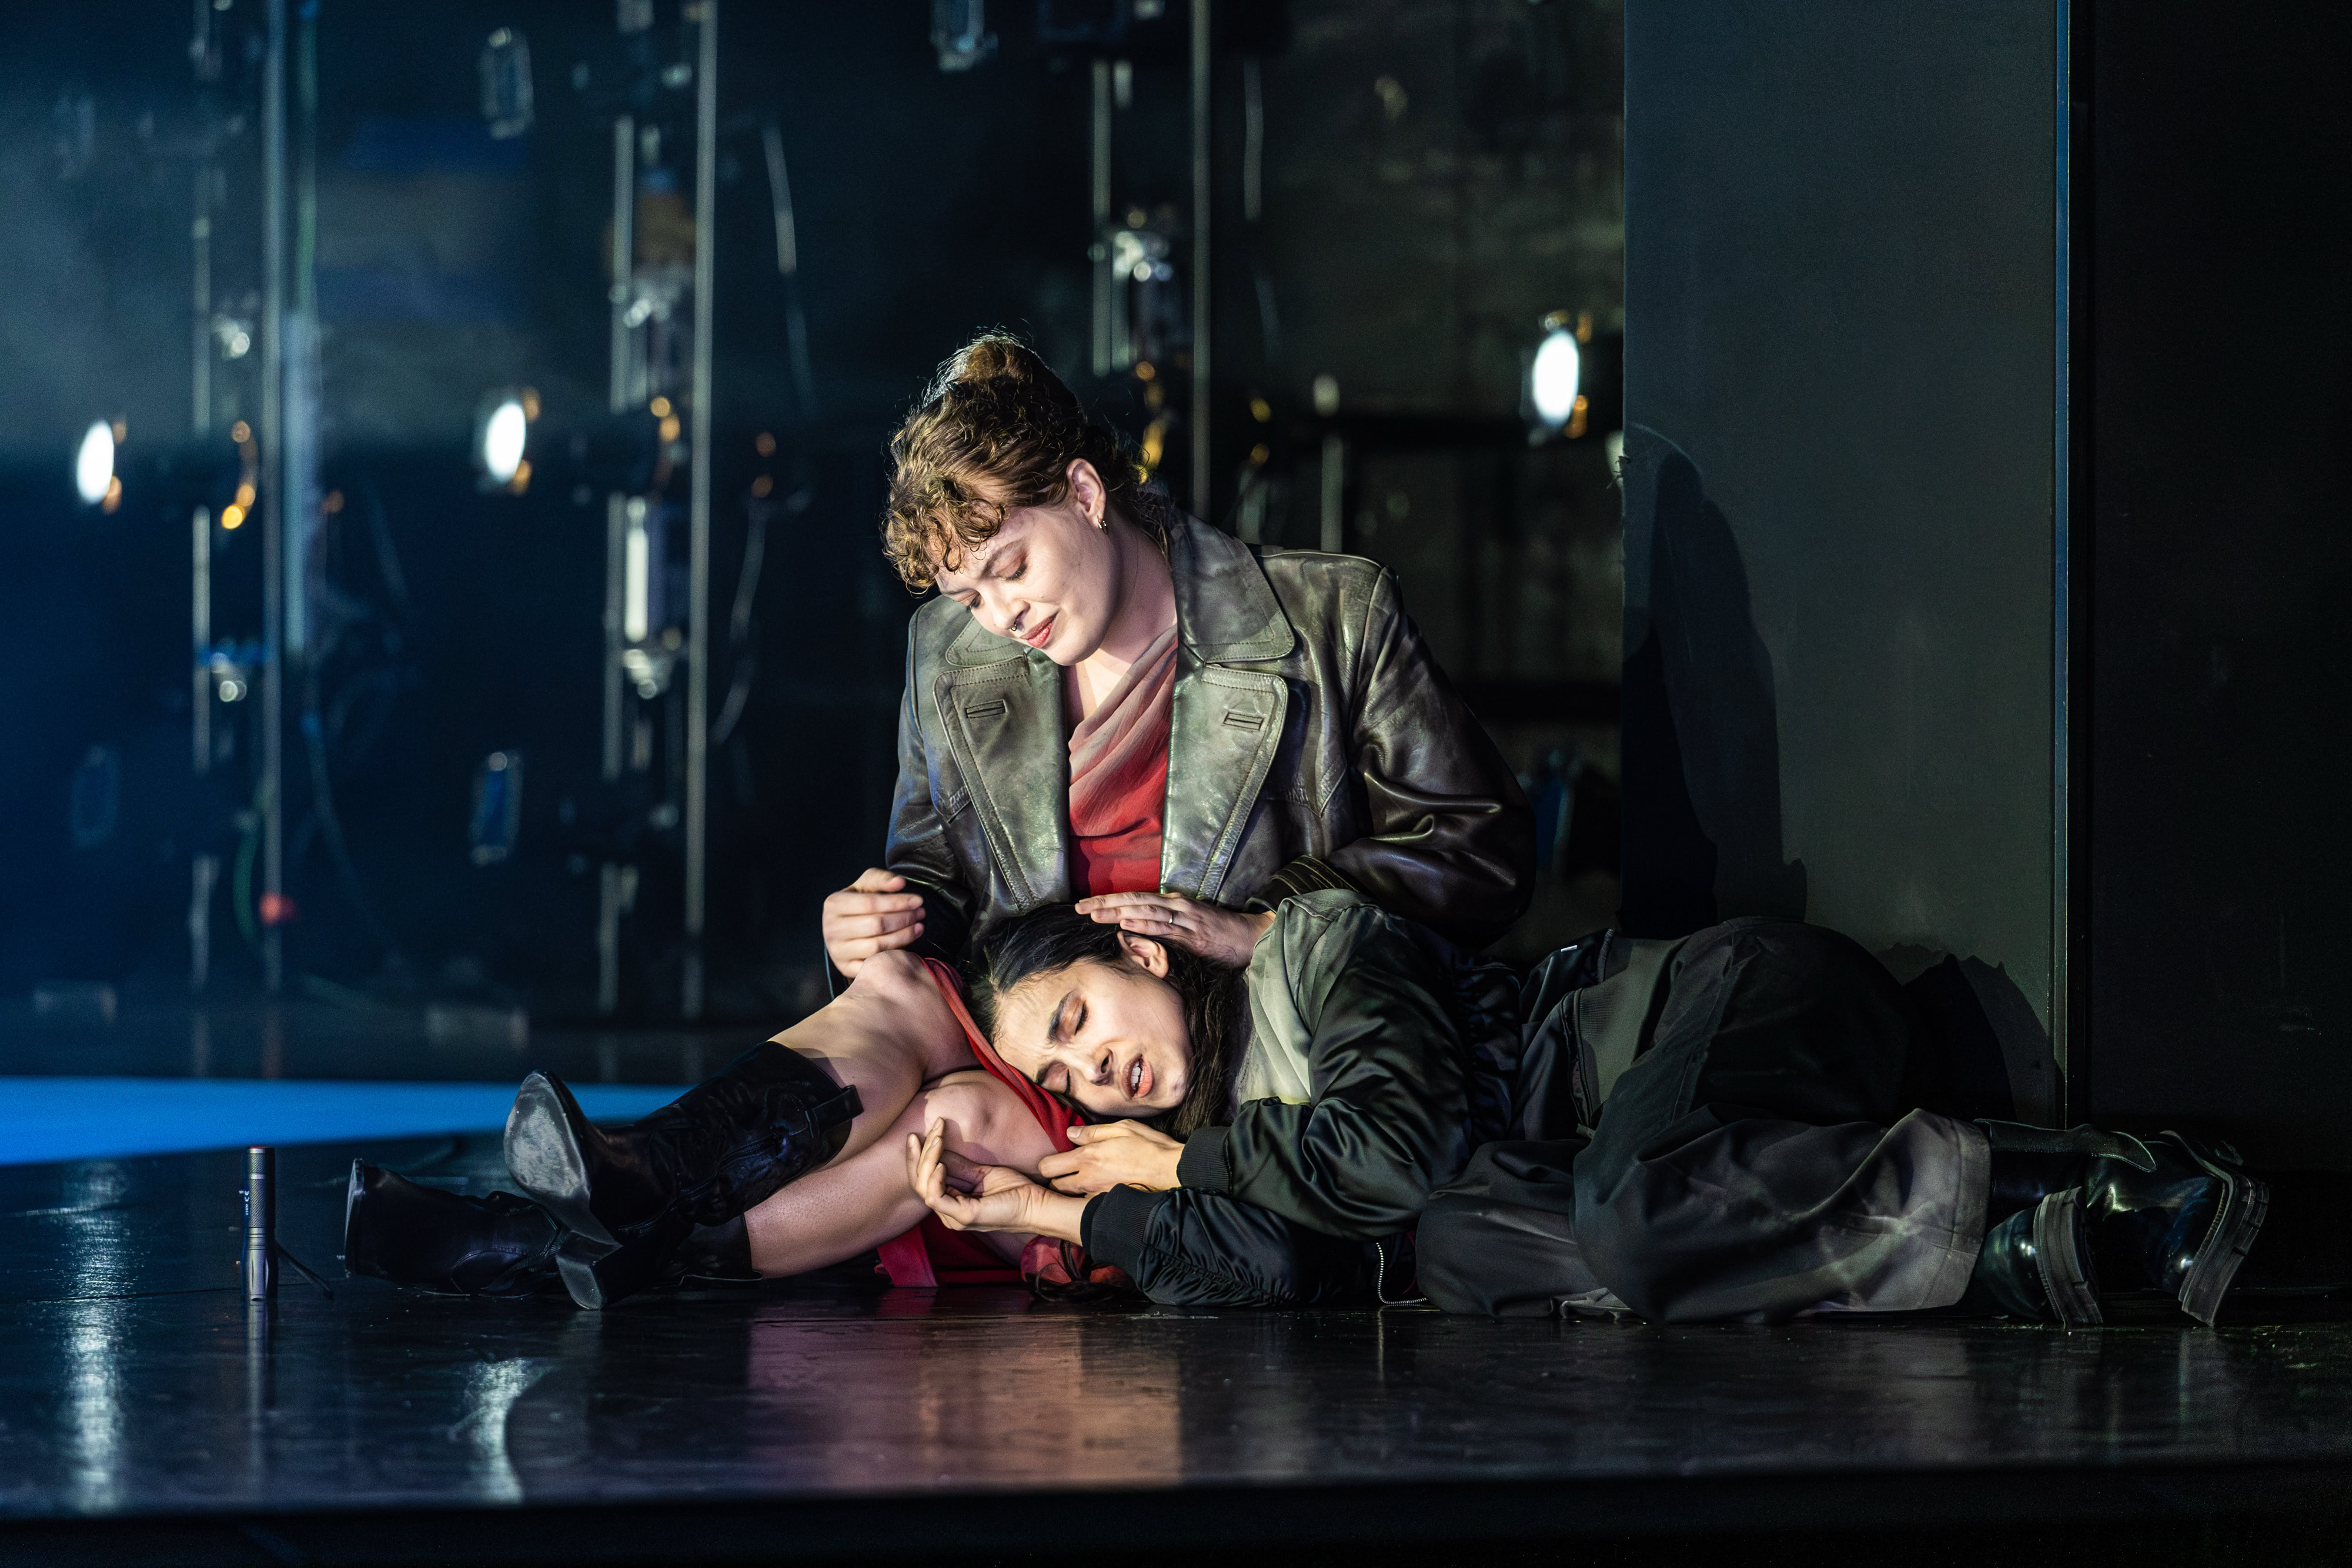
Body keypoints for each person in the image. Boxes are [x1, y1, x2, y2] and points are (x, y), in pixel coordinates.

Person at [345, 332, 1532, 1308]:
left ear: (1083, 492)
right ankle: (633, 1180)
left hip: (1228, 1052)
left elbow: (1480, 848)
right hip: (1044, 1040)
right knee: (907, 994)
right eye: (966, 592)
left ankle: (539, 1231)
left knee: (953, 1112)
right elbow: (934, 878)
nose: (998, 614)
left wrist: (1258, 925)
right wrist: (879, 915)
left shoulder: (1326, 614)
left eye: (1009, 567)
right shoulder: (951, 652)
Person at [1412, 917, 2340, 1328]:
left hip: (1729, 1000)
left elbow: (1387, 1147)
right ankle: (2019, 1255)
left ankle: (2103, 1180)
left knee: (1635, 1206)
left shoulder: (1335, 941)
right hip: (1690, 1156)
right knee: (1453, 1241)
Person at [906, 890, 1519, 1306]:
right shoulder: (1180, 1141)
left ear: (1142, 953)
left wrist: (1177, 1164)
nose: (1091, 1069)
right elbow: (1284, 1265)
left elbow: (1400, 1163)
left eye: (1077, 1021)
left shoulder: (1314, 954)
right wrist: (1038, 1210)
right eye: (1061, 1079)